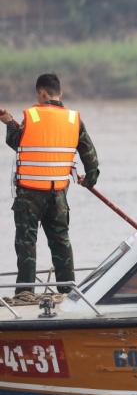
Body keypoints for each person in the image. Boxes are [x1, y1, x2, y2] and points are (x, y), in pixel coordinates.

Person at [1, 73, 100, 296]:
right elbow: (91, 157)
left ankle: (25, 293)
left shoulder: (32, 116)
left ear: (41, 93)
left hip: (29, 195)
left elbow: (17, 142)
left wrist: (8, 123)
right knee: (61, 242)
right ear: (60, 94)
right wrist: (89, 179)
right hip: (58, 195)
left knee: (27, 243)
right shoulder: (73, 119)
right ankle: (67, 291)